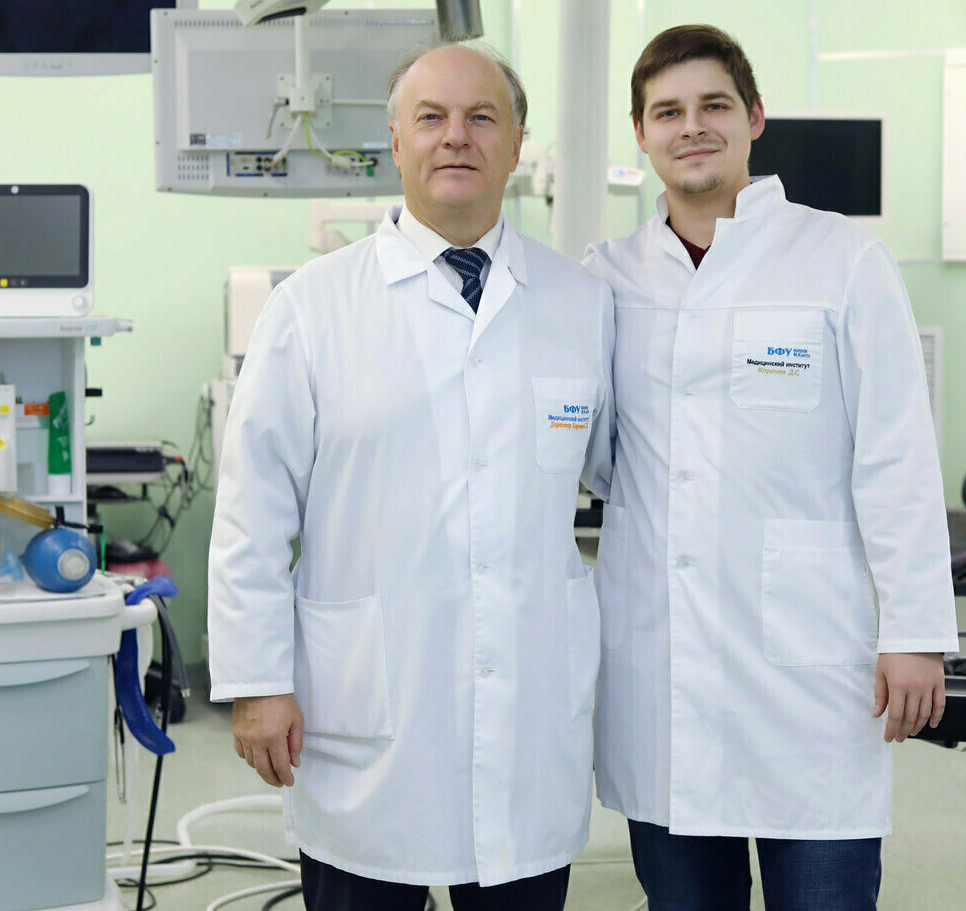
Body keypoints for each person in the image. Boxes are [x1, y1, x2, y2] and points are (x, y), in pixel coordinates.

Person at [206, 42, 615, 911]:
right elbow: (252, 513)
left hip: (527, 707)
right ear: (396, 142)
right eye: (431, 117)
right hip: (364, 709)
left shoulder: (580, 302)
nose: (455, 136)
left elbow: (627, 472)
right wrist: (257, 681)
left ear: (516, 144)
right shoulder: (312, 306)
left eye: (481, 117)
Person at [582, 24, 959, 911]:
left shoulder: (843, 259)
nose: (692, 127)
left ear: (754, 117)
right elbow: (591, 451)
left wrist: (913, 631)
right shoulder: (606, 278)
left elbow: (898, 455)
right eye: (667, 112)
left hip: (808, 666)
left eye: (713, 105)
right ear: (641, 134)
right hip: (664, 667)